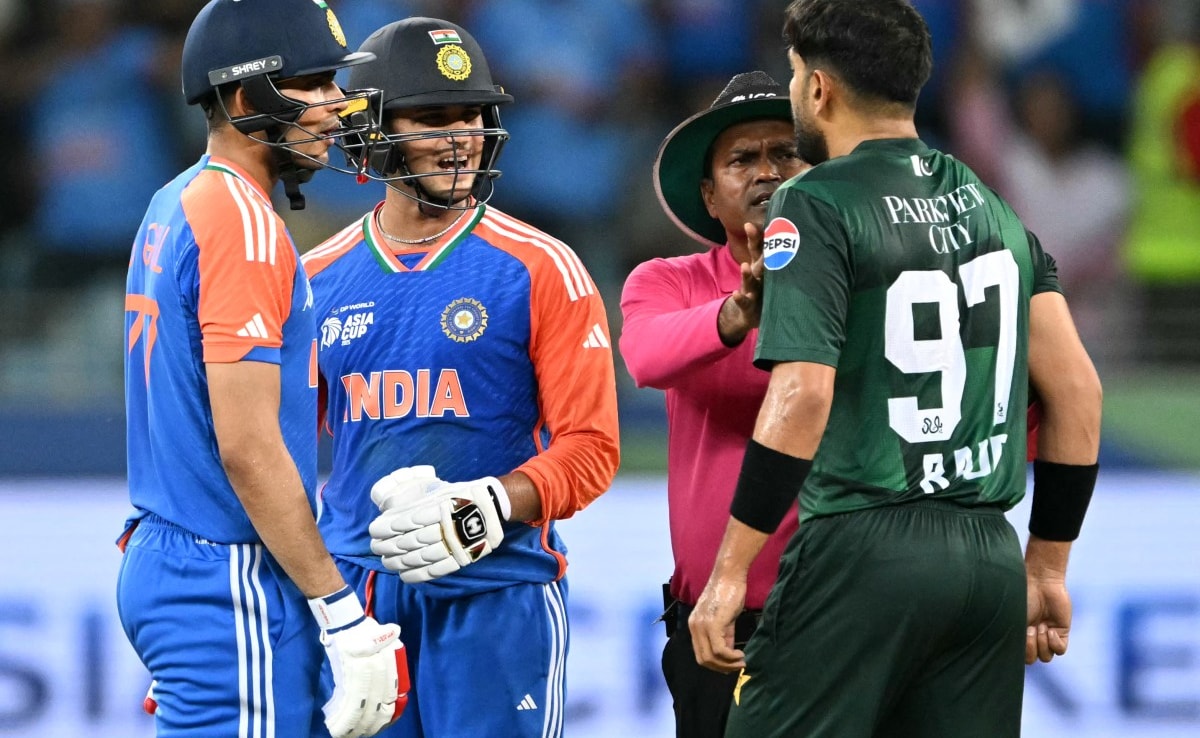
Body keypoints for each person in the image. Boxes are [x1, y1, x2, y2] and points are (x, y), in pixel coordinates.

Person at [688, 2, 1103, 737]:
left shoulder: (812, 203)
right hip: (987, 558)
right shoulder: (993, 207)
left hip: (862, 548)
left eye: (794, 77)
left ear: (819, 88)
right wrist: (1045, 566)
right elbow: (1078, 392)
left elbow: (803, 393)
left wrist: (729, 572)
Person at [301, 17, 620, 738]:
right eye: (433, 118)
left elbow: (593, 449)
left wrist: (489, 505)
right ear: (373, 131)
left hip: (497, 592)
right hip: (359, 606)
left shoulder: (542, 267)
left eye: (472, 114)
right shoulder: (314, 280)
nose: (462, 137)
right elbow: (276, 455)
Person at [117, 1, 408, 736]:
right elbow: (247, 447)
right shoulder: (242, 223)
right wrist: (341, 613)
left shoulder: (175, 198)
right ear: (248, 99)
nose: (338, 103)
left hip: (178, 555)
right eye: (315, 83)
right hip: (226, 569)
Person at [618, 71, 807, 737]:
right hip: (715, 626)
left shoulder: (864, 280)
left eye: (786, 153)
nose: (767, 172)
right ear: (709, 195)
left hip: (841, 619)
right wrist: (736, 314)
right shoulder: (668, 281)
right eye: (742, 159)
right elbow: (645, 356)